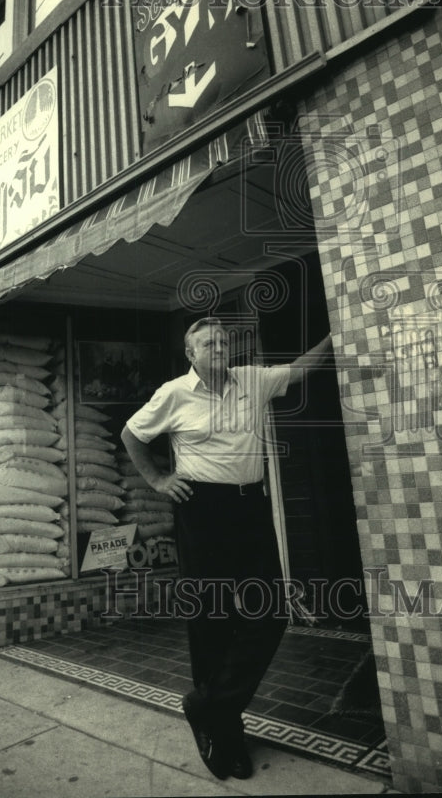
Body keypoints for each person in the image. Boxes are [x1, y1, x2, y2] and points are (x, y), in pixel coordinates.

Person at [121, 316, 333, 781]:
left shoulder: (252, 380)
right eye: (207, 342)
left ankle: (209, 705)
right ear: (190, 354)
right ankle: (226, 733)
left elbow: (301, 369)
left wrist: (336, 332)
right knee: (211, 617)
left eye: (223, 339)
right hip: (202, 509)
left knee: (272, 610)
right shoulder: (173, 393)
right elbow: (132, 435)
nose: (218, 345)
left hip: (249, 509)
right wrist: (158, 479)